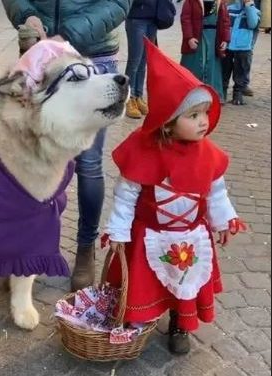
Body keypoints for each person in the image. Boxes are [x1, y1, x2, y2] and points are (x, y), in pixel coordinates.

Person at [104, 41, 245, 355]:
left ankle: (180, 323)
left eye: (205, 113)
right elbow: (126, 195)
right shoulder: (142, 150)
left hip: (190, 236)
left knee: (184, 281)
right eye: (193, 115)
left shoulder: (208, 154)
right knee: (146, 281)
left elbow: (217, 192)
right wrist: (117, 230)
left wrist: (224, 221)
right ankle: (138, 318)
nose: (203, 121)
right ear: (167, 120)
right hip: (148, 234)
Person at [1, 0, 133, 292]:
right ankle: (25, 249)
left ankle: (85, 249)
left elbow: (119, 3)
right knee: (29, 161)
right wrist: (28, 15)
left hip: (92, 55)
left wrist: (70, 36)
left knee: (88, 164)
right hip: (40, 55)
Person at [180, 0, 231, 103]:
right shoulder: (191, 1)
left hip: (213, 40)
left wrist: (225, 39)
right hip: (197, 38)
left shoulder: (220, 2)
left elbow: (225, 21)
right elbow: (186, 19)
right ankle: (189, 94)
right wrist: (189, 37)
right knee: (194, 66)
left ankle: (212, 95)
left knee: (212, 66)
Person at [124, 0, 159, 119]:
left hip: (153, 19)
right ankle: (129, 98)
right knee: (135, 61)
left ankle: (138, 95)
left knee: (144, 61)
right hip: (136, 18)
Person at [222, 0, 260, 105]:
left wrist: (249, 6)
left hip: (244, 47)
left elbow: (253, 24)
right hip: (228, 46)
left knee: (241, 72)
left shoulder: (254, 11)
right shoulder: (230, 9)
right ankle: (222, 94)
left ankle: (237, 95)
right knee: (224, 70)